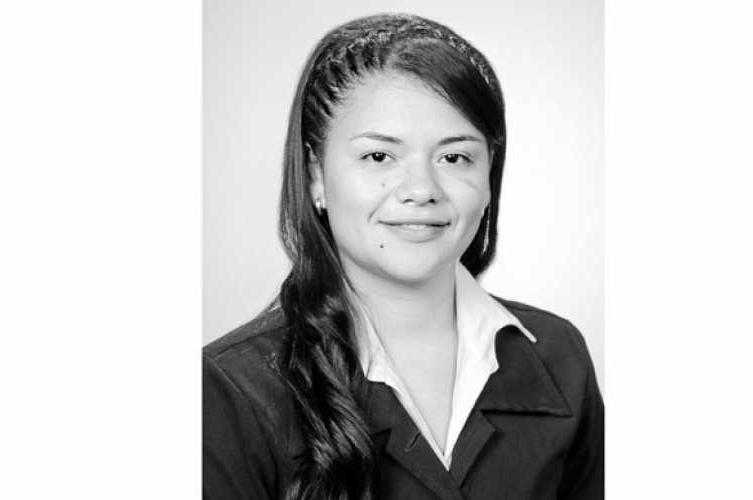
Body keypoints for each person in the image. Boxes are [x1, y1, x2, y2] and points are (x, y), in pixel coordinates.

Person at [203, 13, 603, 500]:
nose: (421, 189)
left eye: (454, 157)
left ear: (489, 175)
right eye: (379, 157)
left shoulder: (559, 355)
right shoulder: (231, 388)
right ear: (316, 175)